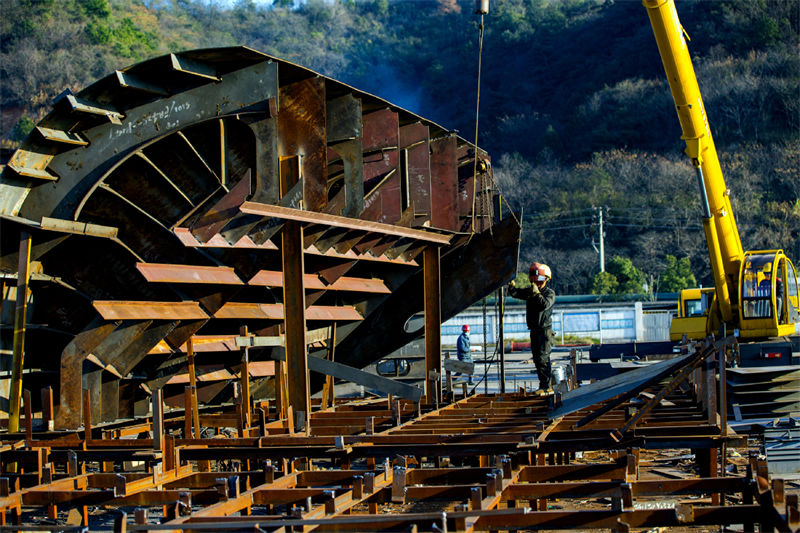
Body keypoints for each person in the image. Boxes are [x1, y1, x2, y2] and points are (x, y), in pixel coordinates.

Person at [508, 262, 556, 396]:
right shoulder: (531, 291)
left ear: (546, 279)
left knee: (543, 358)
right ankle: (544, 385)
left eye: (540, 281)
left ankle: (546, 387)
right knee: (537, 358)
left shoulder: (549, 293)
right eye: (535, 281)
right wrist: (511, 286)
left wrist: (536, 293)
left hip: (544, 331)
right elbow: (517, 293)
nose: (537, 284)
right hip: (534, 330)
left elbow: (544, 305)